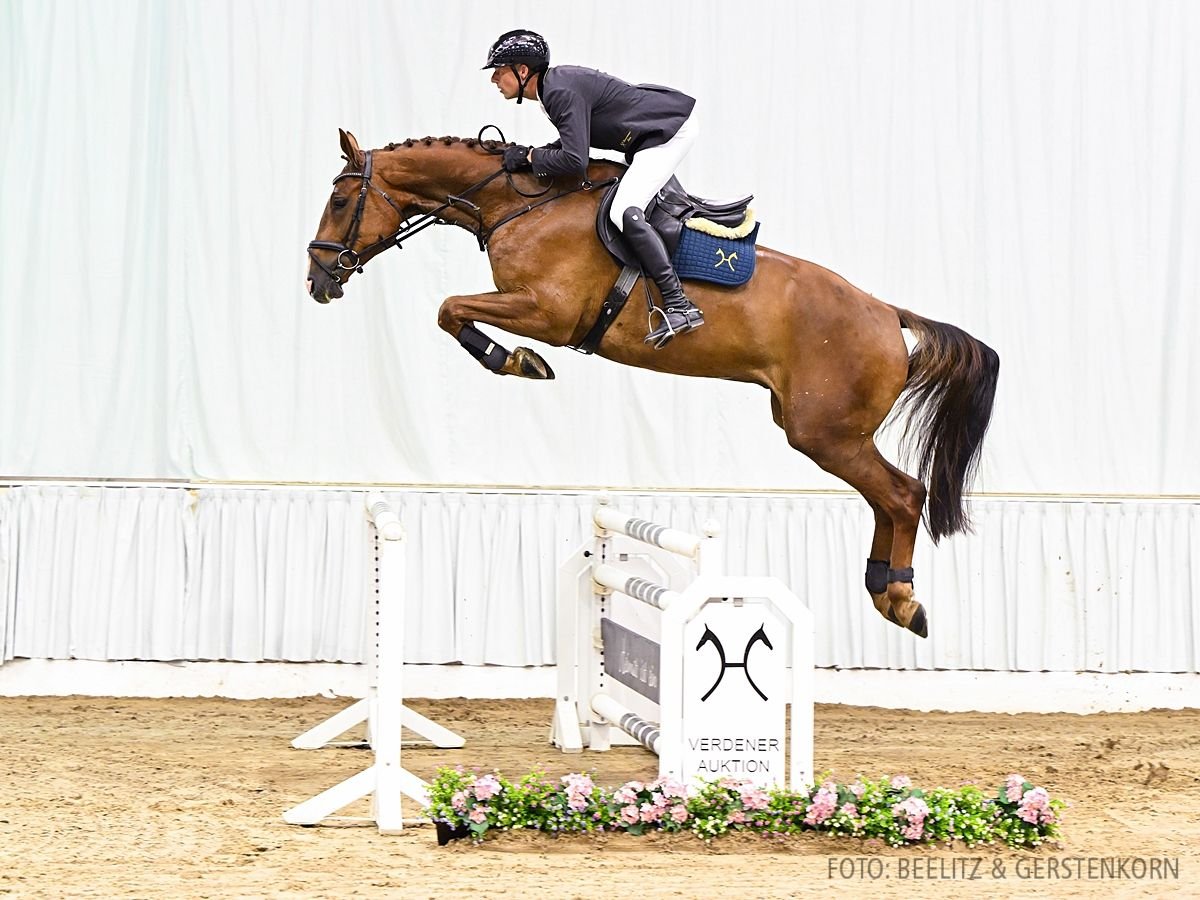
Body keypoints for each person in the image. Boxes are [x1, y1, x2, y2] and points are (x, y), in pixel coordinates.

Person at [483, 29, 704, 349]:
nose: (493, 79)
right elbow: (573, 141)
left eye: (499, 70)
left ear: (521, 71)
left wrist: (531, 156)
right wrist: (534, 157)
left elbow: (575, 161)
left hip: (668, 131)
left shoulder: (558, 90)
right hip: (652, 132)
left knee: (624, 212)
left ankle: (679, 304)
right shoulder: (552, 88)